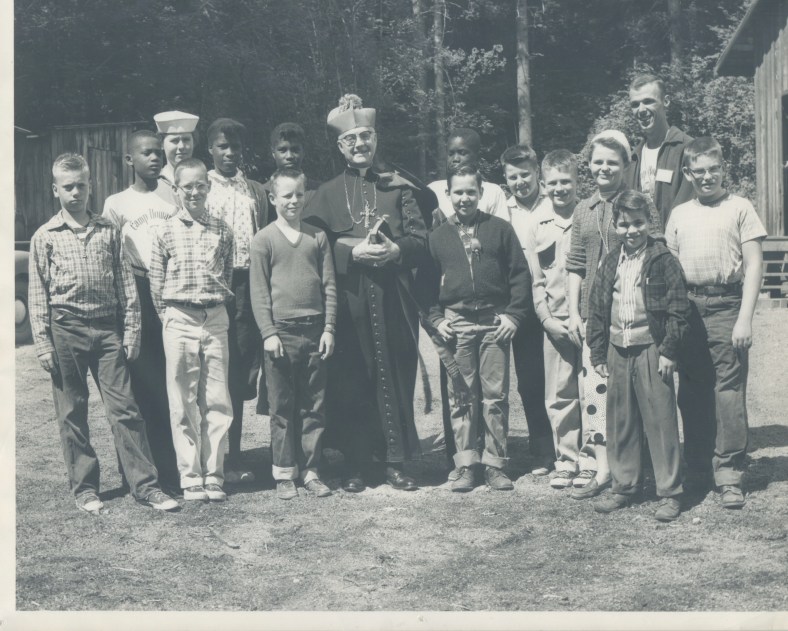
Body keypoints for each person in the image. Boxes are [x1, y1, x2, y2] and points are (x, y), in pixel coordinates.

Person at [28, 153, 178, 514]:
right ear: (55, 190)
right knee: (72, 413)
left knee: (125, 410)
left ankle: (146, 485)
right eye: (68, 187)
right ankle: (85, 489)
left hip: (108, 331)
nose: (76, 192)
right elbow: (37, 294)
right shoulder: (45, 236)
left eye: (81, 185)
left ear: (91, 185)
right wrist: (43, 343)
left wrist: (131, 333)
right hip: (66, 331)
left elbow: (127, 285)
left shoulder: (109, 230)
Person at [304, 93, 428, 492]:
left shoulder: (397, 187)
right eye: (352, 139)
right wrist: (349, 251)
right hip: (348, 300)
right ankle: (356, 465)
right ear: (340, 146)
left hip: (393, 298)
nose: (360, 145)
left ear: (376, 141)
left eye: (367, 137)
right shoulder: (325, 192)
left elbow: (421, 239)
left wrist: (396, 250)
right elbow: (312, 242)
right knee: (352, 379)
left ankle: (394, 462)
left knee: (392, 376)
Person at [666, 136, 766, 508]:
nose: (707, 177)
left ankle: (728, 473)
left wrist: (744, 319)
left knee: (728, 390)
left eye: (714, 170)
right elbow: (671, 271)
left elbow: (754, 263)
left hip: (727, 304)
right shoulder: (679, 214)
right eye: (699, 171)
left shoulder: (740, 207)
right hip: (690, 306)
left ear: (723, 169)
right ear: (689, 174)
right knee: (691, 390)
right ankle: (696, 468)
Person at [566, 130, 662, 500]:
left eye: (612, 161)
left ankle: (642, 469)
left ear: (625, 165)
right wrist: (574, 311)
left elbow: (657, 249)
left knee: (637, 392)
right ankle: (604, 469)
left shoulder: (639, 203)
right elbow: (575, 264)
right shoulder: (582, 209)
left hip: (633, 315)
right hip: (596, 317)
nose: (604, 167)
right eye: (598, 161)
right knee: (596, 391)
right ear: (589, 165)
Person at [428, 165, 532, 491]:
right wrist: (437, 319)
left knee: (495, 397)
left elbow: (519, 275)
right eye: (458, 192)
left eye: (470, 192)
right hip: (456, 325)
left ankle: (495, 465)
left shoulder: (499, 230)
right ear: (448, 195)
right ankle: (465, 465)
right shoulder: (438, 237)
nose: (464, 198)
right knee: (461, 397)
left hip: (493, 325)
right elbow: (425, 288)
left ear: (481, 192)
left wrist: (513, 315)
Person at [586, 190, 689, 521]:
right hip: (618, 349)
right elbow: (598, 307)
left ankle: (670, 491)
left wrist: (669, 350)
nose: (631, 231)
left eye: (638, 223)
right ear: (616, 225)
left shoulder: (662, 260)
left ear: (649, 223)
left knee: (660, 420)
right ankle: (624, 485)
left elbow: (678, 309)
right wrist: (598, 351)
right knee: (621, 420)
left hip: (651, 349)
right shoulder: (610, 261)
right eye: (624, 224)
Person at [149, 158, 235, 502]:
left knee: (216, 399)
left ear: (208, 186)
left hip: (214, 317)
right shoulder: (164, 230)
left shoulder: (222, 229)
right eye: (188, 186)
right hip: (179, 318)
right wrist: (172, 317)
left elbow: (227, 275)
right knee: (182, 401)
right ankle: (190, 476)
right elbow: (156, 285)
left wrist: (211, 308)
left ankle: (213, 474)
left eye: (201, 185)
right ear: (177, 189)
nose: (195, 192)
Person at [250, 168, 337, 500]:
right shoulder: (264, 240)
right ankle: (284, 472)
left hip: (315, 330)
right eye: (286, 195)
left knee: (313, 404)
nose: (294, 201)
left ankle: (311, 470)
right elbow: (259, 293)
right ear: (272, 198)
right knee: (281, 406)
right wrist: (268, 333)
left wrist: (329, 328)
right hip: (281, 335)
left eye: (299, 194)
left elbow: (329, 286)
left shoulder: (317, 237)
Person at [102, 130, 180, 493]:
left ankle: (171, 468)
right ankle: (136, 470)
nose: (154, 159)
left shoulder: (173, 199)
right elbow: (110, 257)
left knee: (170, 385)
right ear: (129, 159)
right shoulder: (117, 203)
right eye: (146, 154)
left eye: (157, 154)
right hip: (135, 294)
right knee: (138, 387)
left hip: (169, 292)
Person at [205, 117, 268, 484]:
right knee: (211, 369)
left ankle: (235, 456)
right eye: (222, 147)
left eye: (235, 148)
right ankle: (207, 459)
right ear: (210, 149)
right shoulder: (201, 187)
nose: (229, 154)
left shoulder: (253, 191)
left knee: (239, 371)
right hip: (213, 288)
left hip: (246, 286)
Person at [519, 150, 583, 489]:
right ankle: (567, 459)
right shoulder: (535, 225)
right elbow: (535, 280)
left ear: (577, 183)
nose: (560, 189)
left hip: (587, 320)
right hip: (554, 321)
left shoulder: (589, 215)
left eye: (566, 182)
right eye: (553, 183)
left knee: (592, 391)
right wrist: (546, 320)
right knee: (559, 394)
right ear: (543, 186)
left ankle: (591, 459)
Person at [495, 144, 555, 476]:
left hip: (556, 299)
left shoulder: (553, 203)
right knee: (530, 379)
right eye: (513, 177)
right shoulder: (504, 212)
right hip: (521, 302)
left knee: (563, 378)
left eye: (526, 175)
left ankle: (575, 445)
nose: (521, 182)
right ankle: (542, 448)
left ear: (537, 173)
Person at [624, 73, 694, 227]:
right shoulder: (633, 158)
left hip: (677, 246)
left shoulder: (687, 149)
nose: (641, 110)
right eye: (635, 104)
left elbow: (691, 208)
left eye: (648, 101)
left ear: (666, 101)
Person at [427, 128, 508, 223]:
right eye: (451, 153)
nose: (455, 159)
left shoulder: (493, 192)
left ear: (477, 156)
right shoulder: (434, 190)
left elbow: (501, 233)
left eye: (462, 153)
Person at [154, 110, 199, 204]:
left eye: (186, 139)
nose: (181, 146)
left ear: (194, 142)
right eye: (174, 141)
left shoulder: (204, 180)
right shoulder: (154, 184)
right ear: (161, 144)